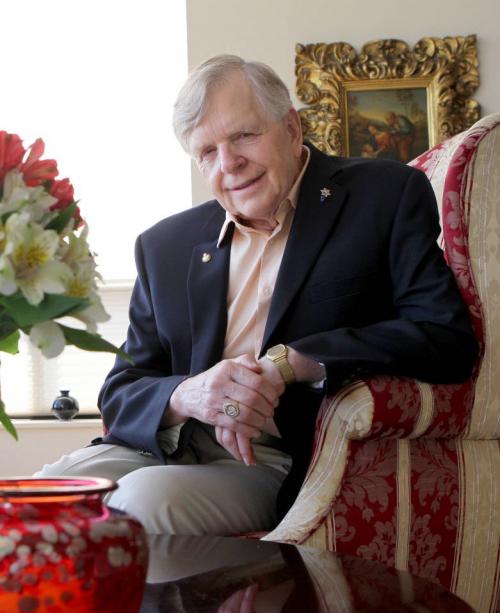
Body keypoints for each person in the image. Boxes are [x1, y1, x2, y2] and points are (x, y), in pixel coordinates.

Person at [36, 55, 478, 536]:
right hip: (160, 445)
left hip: (267, 460)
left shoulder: (382, 196)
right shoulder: (165, 245)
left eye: (243, 135)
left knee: (137, 506)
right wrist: (191, 393)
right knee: (31, 506)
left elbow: (444, 336)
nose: (229, 164)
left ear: (291, 126)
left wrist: (291, 363)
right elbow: (121, 395)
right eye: (207, 152)